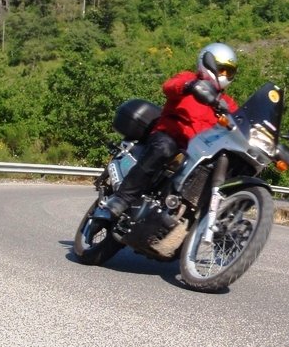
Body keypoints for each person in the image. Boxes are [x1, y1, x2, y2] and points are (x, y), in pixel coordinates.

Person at [95, 42, 240, 221]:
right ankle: (121, 198)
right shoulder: (188, 79)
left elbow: (239, 125)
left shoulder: (228, 104)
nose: (224, 75)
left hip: (196, 153)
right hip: (170, 136)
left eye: (229, 71)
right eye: (221, 69)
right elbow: (169, 86)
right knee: (164, 148)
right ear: (208, 63)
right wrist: (189, 85)